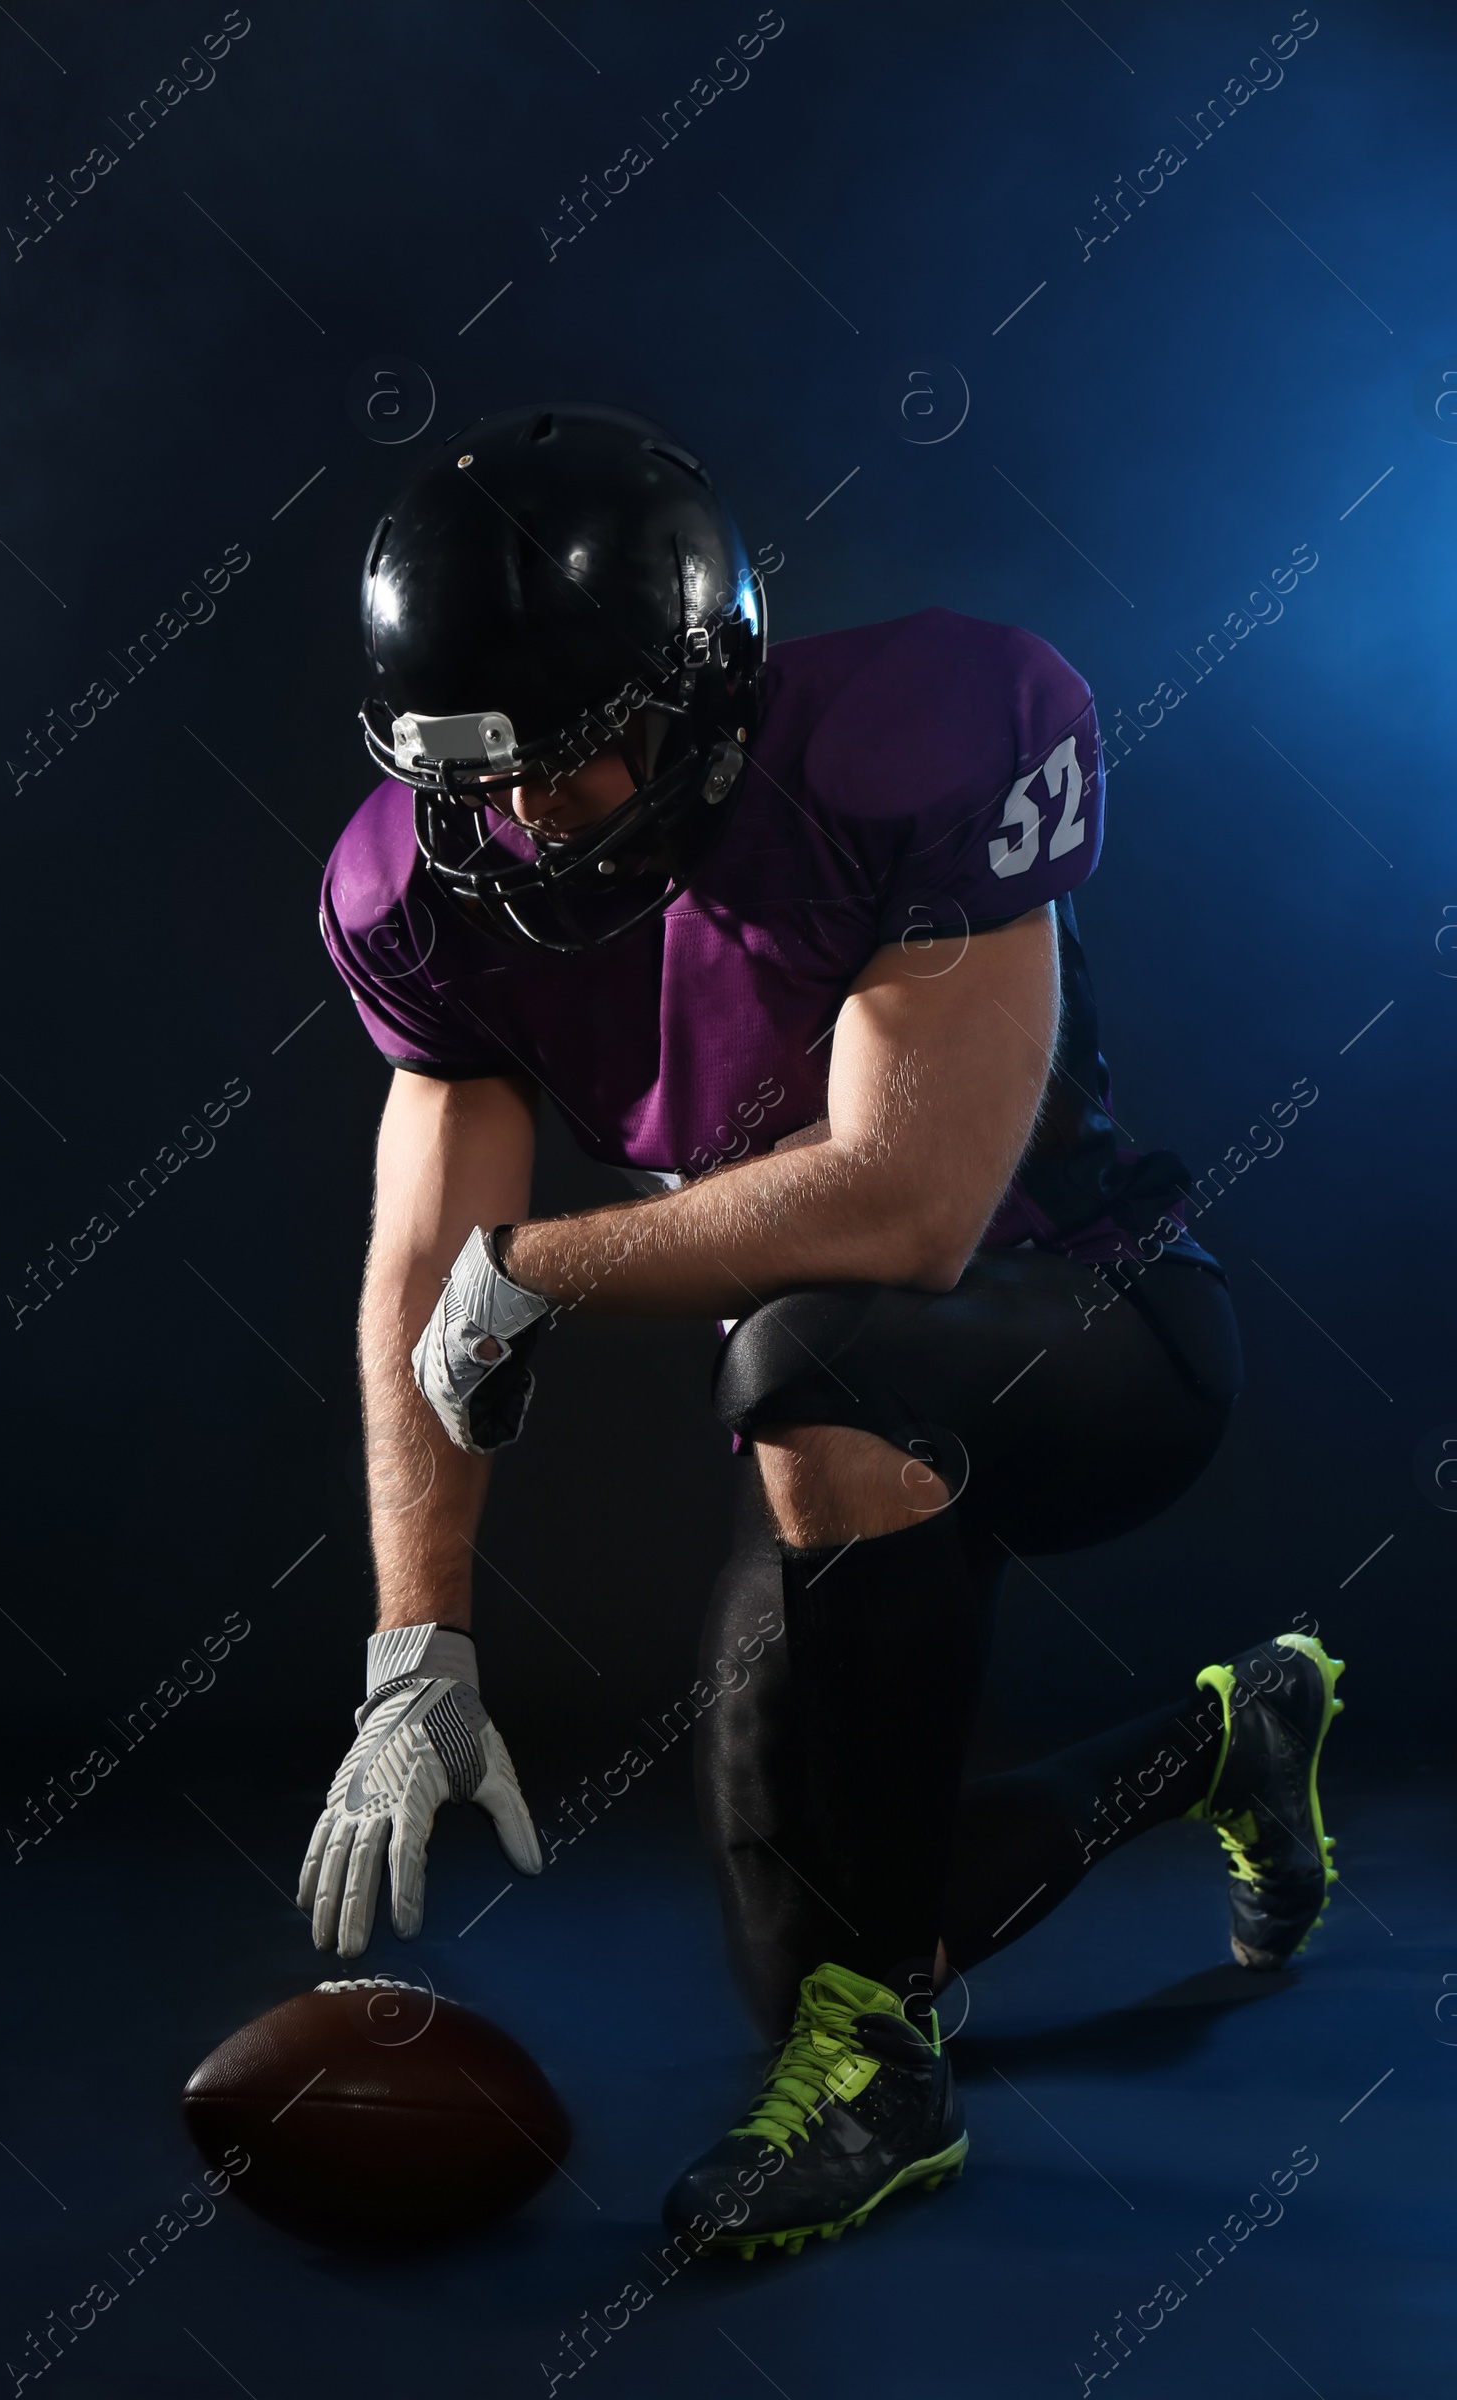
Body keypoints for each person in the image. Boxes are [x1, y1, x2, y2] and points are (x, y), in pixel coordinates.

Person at [296, 401, 1346, 2258]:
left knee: (804, 1341)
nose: (523, 819)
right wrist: (414, 1648)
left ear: (695, 695)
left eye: (572, 759)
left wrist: (540, 1267)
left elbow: (908, 1209)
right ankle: (1223, 1741)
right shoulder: (420, 890)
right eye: (481, 777)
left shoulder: (926, 736)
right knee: (843, 1942)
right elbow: (416, 1274)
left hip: (1090, 1332)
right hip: (841, 1434)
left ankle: (896, 2094)